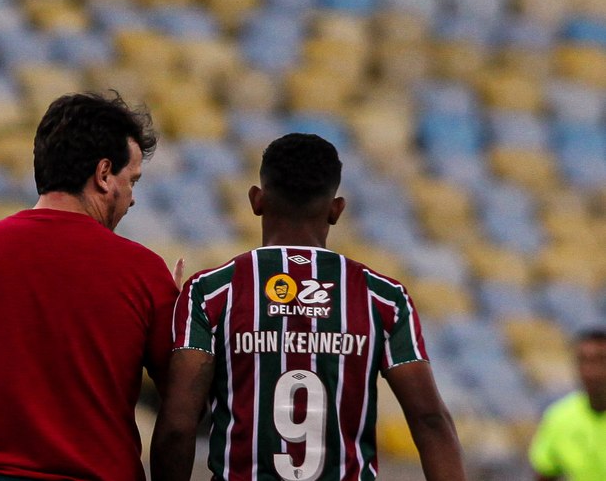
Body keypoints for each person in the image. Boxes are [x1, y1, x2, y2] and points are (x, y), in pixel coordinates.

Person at [0, 92, 180, 481]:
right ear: (104, 173)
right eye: (132, 181)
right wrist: (183, 321)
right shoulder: (144, 272)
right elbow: (181, 409)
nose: (131, 199)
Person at [150, 133, 466, 481]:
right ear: (336, 209)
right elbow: (430, 420)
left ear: (257, 200)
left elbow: (179, 426)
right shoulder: (383, 297)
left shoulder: (211, 291)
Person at [528, 323, 606, 481]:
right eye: (584, 361)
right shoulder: (559, 417)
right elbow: (545, 473)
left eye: (600, 361)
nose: (591, 371)